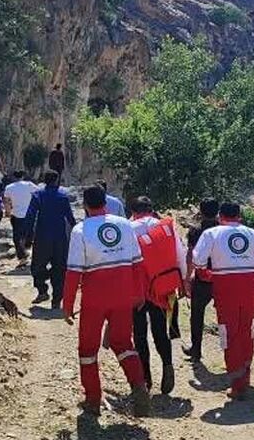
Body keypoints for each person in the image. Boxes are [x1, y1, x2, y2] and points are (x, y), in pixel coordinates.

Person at [64, 186, 151, 416]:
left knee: (88, 349)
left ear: (85, 205)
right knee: (123, 343)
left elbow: (73, 272)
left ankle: (93, 399)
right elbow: (137, 264)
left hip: (95, 299)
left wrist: (67, 305)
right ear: (106, 201)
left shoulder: (80, 230)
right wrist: (140, 293)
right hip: (123, 295)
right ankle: (139, 386)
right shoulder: (124, 224)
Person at [191, 201, 254, 399]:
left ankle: (236, 381)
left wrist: (207, 274)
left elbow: (198, 261)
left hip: (225, 291)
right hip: (249, 290)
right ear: (240, 216)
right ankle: (244, 376)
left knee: (227, 334)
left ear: (220, 216)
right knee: (246, 331)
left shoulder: (211, 234)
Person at [129, 196, 187, 394]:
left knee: (139, 334)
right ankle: (167, 364)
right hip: (162, 288)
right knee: (160, 331)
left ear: (134, 212)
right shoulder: (166, 228)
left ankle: (145, 378)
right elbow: (180, 256)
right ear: (151, 210)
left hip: (137, 289)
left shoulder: (129, 228)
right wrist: (182, 283)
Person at [25, 171, 75, 306]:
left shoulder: (38, 195)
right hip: (60, 238)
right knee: (60, 268)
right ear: (56, 180)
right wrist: (76, 233)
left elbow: (30, 215)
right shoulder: (63, 196)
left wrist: (28, 235)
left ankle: (42, 290)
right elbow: (70, 217)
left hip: (42, 237)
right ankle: (57, 300)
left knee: (37, 266)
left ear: (44, 180)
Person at [182, 198, 219, 362]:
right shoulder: (223, 231)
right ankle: (232, 353)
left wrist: (188, 277)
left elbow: (191, 255)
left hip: (202, 278)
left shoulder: (196, 231)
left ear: (201, 211)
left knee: (197, 315)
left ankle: (195, 350)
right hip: (222, 278)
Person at [3, 170, 39, 262]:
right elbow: (39, 193)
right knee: (29, 232)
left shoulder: (9, 187)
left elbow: (6, 201)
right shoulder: (29, 185)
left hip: (16, 214)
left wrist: (7, 212)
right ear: (23, 176)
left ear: (14, 177)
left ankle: (21, 255)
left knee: (17, 235)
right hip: (29, 214)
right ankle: (27, 249)